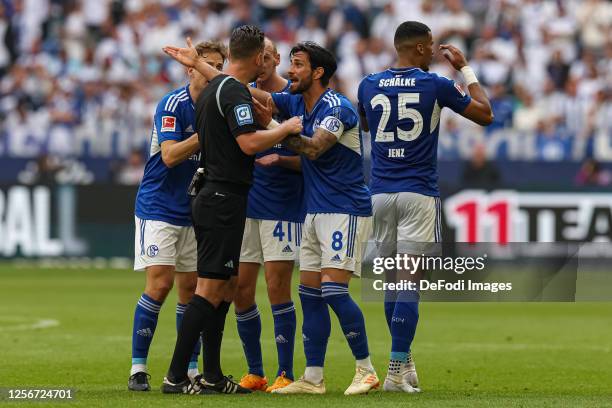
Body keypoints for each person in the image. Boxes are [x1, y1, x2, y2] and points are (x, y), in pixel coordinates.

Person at [160, 26, 303, 395]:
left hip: (214, 196)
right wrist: (284, 128)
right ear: (258, 59)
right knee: (209, 290)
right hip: (223, 198)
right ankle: (176, 376)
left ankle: (210, 375)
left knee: (222, 288)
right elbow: (249, 143)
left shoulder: (217, 88)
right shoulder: (234, 92)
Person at [357, 21, 493, 393]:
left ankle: (404, 358)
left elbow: (366, 125)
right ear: (417, 49)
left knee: (390, 282)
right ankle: (396, 371)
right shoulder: (436, 84)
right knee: (410, 283)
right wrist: (464, 68)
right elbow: (485, 114)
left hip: (380, 193)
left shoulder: (368, 83)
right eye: (430, 46)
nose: (434, 51)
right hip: (418, 193)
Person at [250, 41, 379, 395]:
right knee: (309, 294)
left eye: (297, 64)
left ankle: (366, 369)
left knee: (334, 290)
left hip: (345, 210)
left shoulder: (338, 107)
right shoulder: (296, 102)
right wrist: (203, 70)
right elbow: (255, 97)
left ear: (317, 72)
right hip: (314, 211)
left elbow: (314, 147)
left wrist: (276, 129)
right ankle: (313, 377)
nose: (290, 71)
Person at [129, 41, 227, 392]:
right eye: (207, 63)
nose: (211, 70)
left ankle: (189, 368)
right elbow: (170, 156)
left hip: (194, 210)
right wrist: (206, 135)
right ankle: (138, 367)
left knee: (192, 291)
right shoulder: (173, 104)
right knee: (160, 284)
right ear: (191, 68)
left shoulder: (218, 105)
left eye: (218, 65)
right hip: (158, 207)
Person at [235, 37, 304, 393]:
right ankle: (255, 371)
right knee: (241, 289)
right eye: (256, 56)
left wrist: (281, 157)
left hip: (282, 207)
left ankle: (286, 372)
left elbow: (314, 156)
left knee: (277, 288)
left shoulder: (296, 96)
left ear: (276, 59)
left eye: (266, 55)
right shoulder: (241, 94)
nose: (260, 62)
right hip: (246, 205)